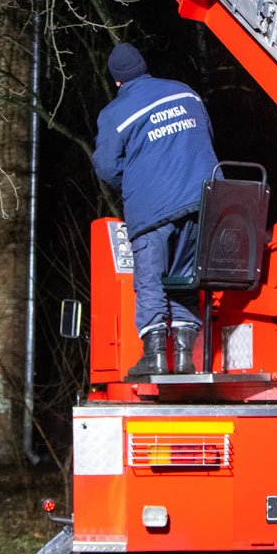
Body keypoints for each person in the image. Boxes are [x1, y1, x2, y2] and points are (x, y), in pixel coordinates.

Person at [92, 42, 219, 376]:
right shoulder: (185, 93)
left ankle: (155, 357)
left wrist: (136, 184)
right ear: (144, 67)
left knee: (150, 280)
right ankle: (184, 357)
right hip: (202, 200)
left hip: (153, 210)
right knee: (185, 278)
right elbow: (206, 136)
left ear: (117, 81)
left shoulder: (115, 113)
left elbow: (106, 166)